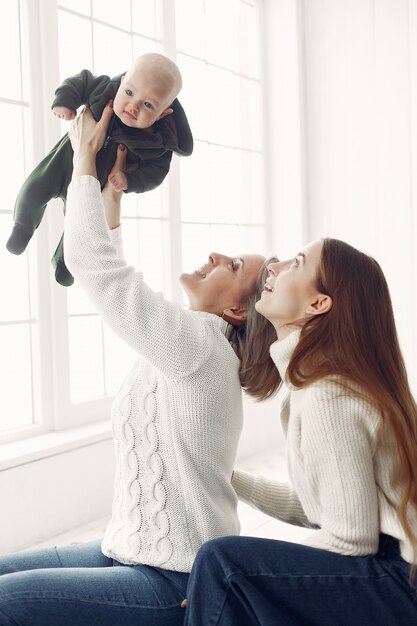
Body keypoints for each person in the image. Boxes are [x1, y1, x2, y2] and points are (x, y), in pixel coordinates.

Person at [0, 104, 279, 625]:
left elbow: (96, 269)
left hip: (173, 581)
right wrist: (113, 197)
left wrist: (84, 157)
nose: (218, 255)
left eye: (235, 265)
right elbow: (122, 281)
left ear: (238, 310)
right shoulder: (192, 341)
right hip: (125, 548)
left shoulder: (198, 348)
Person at [183, 238, 417, 626]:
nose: (274, 268)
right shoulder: (325, 382)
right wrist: (226, 478)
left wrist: (248, 581)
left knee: (221, 563)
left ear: (318, 304)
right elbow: (320, 507)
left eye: (297, 263)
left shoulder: (328, 396)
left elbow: (350, 538)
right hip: (395, 575)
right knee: (226, 575)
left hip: (401, 584)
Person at [6, 52, 193, 286]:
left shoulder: (157, 142)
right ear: (123, 80)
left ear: (163, 114)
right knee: (34, 189)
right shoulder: (105, 89)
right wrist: (65, 101)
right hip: (62, 163)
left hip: (95, 184)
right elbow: (80, 81)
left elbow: (156, 173)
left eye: (147, 105)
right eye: (129, 92)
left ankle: (64, 263)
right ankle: (22, 227)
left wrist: (129, 179)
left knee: (80, 226)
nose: (133, 106)